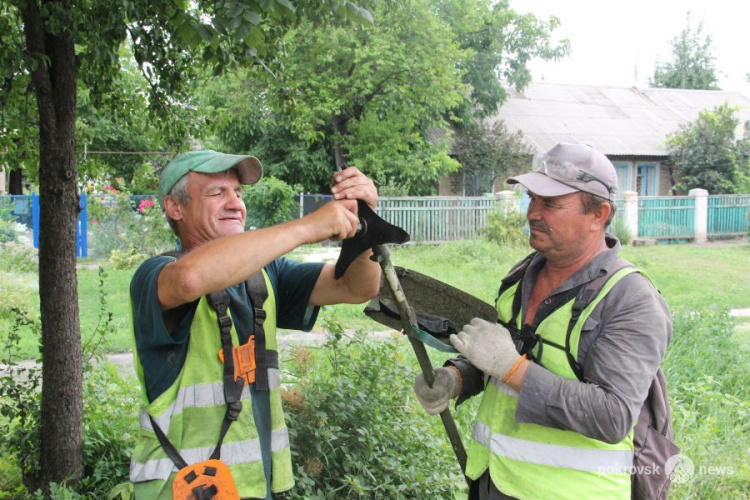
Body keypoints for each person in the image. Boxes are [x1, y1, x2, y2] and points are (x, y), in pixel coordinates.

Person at [414, 143, 672, 499]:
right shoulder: (525, 272)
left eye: (550, 203)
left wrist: (513, 370)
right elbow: (500, 355)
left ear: (599, 214)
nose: (532, 213)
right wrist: (457, 377)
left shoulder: (630, 299)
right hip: (493, 481)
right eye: (532, 199)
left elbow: (611, 416)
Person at [129, 149, 381, 499]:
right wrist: (308, 226)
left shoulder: (265, 276)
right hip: (181, 490)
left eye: (239, 193)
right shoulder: (153, 277)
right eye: (218, 193)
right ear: (175, 207)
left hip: (256, 488)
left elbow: (359, 286)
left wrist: (364, 224)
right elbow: (190, 280)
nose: (235, 203)